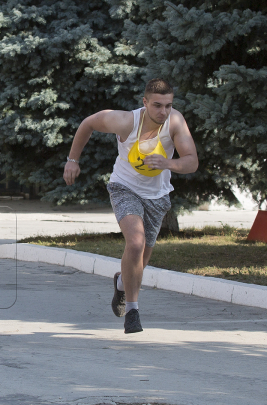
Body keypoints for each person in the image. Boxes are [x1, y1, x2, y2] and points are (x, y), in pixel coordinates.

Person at [63, 78, 198, 334]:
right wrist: (72, 160)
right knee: (134, 243)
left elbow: (191, 161)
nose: (163, 112)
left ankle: (122, 283)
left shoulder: (175, 122)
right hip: (124, 187)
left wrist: (168, 164)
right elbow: (88, 123)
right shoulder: (126, 121)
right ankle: (133, 311)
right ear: (145, 102)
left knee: (141, 259)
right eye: (157, 105)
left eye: (168, 106)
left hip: (157, 196)